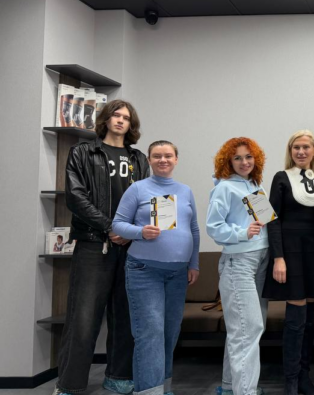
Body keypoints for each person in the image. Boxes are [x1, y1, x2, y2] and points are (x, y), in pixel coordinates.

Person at [55, 100, 150, 395]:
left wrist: (130, 232)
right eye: (115, 115)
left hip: (131, 248)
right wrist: (110, 227)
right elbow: (76, 197)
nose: (120, 120)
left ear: (131, 124)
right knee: (83, 318)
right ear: (106, 120)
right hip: (94, 244)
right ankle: (69, 385)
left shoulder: (138, 158)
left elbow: (147, 199)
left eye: (126, 117)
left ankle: (118, 376)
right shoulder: (82, 152)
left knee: (125, 315)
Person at [112, 140, 200, 395]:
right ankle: (149, 392)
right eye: (157, 156)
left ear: (176, 159)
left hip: (178, 273)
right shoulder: (137, 189)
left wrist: (193, 264)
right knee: (150, 332)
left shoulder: (185, 191)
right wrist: (140, 232)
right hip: (144, 271)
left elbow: (193, 229)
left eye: (168, 155)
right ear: (149, 160)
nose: (163, 160)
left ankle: (163, 388)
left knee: (170, 333)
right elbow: (118, 224)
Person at [262, 130, 314, 395]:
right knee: (295, 320)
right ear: (290, 151)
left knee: (310, 320)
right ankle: (290, 380)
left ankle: (304, 376)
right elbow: (272, 219)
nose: (301, 152)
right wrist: (278, 257)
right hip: (290, 253)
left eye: (306, 147)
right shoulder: (281, 177)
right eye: (296, 148)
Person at [206, 138, 271, 395]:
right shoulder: (224, 188)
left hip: (261, 260)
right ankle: (245, 391)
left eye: (248, 157)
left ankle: (231, 387)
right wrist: (242, 233)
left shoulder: (256, 185)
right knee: (247, 330)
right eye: (238, 158)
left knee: (245, 329)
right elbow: (214, 227)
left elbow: (265, 222)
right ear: (228, 161)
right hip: (239, 262)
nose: (244, 162)